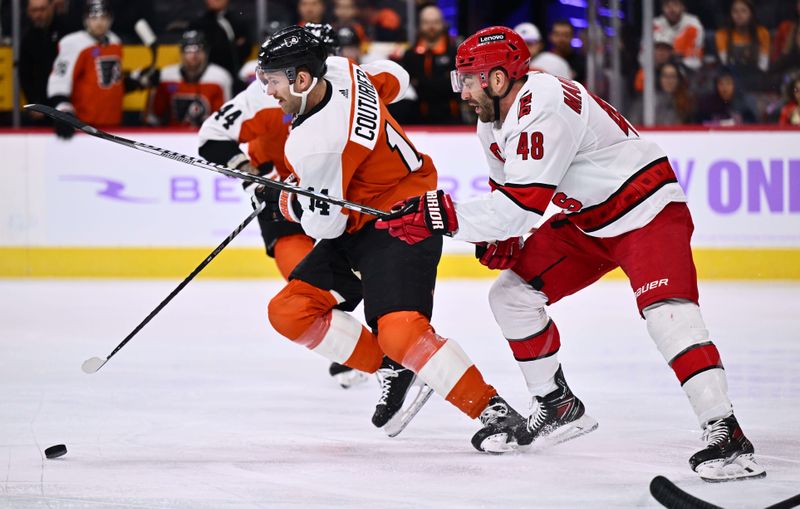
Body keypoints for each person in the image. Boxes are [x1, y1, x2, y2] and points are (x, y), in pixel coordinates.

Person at [376, 25, 766, 481]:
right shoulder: (492, 119)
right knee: (510, 297)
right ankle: (557, 404)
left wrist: (443, 216)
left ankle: (727, 433)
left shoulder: (544, 105)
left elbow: (520, 208)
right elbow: (507, 197)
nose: (461, 90)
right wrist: (496, 238)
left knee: (667, 314)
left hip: (646, 207)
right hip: (587, 220)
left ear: (497, 79)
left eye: (467, 79)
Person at [254, 25, 532, 452]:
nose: (267, 90)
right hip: (359, 220)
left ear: (302, 79)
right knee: (291, 312)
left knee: (401, 333)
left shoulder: (313, 143)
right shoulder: (344, 72)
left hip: (403, 219)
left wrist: (285, 201)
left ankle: (494, 411)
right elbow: (396, 79)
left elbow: (323, 226)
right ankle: (392, 369)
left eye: (271, 80)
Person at [197, 23, 371, 391]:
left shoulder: (355, 86)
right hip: (284, 210)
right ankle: (364, 356)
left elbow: (395, 82)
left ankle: (402, 349)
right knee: (306, 288)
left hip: (339, 200)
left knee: (376, 282)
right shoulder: (261, 98)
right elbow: (211, 138)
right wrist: (252, 178)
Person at [46, 0, 149, 139]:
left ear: (110, 19)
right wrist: (63, 111)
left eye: (103, 17)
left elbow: (111, 81)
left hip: (113, 123)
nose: (99, 22)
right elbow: (59, 81)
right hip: (84, 127)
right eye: (93, 17)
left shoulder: (115, 42)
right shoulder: (74, 44)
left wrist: (136, 81)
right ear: (85, 20)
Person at [145, 30, 232, 127]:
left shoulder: (220, 78)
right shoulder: (166, 76)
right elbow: (154, 117)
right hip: (172, 137)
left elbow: (224, 120)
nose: (193, 56)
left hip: (207, 136)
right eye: (188, 50)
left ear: (206, 53)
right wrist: (153, 89)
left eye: (198, 50)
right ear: (181, 53)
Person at [397, 4, 460, 124]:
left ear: (443, 24)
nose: (431, 27)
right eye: (426, 22)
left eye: (435, 22)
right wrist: (441, 82)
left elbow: (455, 88)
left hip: (451, 119)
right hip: (416, 120)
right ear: (420, 25)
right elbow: (408, 90)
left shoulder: (455, 53)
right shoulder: (410, 55)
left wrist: (421, 83)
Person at [20, 0, 65, 125]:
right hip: (41, 107)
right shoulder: (27, 37)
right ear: (28, 12)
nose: (38, 14)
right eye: (34, 10)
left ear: (52, 7)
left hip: (66, 105)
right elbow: (25, 75)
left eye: (42, 9)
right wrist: (34, 103)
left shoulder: (66, 31)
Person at [189, 0, 252, 89]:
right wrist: (231, 46)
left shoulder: (238, 21)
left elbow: (245, 49)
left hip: (233, 75)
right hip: (206, 77)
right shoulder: (198, 23)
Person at [715, 0, 770, 88]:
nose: (739, 15)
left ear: (751, 13)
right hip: (733, 76)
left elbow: (763, 65)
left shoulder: (762, 33)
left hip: (755, 76)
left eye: (743, 11)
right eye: (735, 11)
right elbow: (726, 62)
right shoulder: (721, 34)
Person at [630, 62, 695, 126]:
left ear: (678, 79)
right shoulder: (646, 101)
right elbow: (634, 124)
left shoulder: (687, 101)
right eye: (665, 76)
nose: (669, 80)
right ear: (659, 79)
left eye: (672, 76)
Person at [653, 0, 704, 71]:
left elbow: (693, 62)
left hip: (686, 70)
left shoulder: (693, 25)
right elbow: (643, 58)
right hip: (657, 69)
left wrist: (668, 53)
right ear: (662, 8)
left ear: (683, 7)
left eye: (675, 4)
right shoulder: (655, 24)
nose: (671, 9)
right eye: (667, 5)